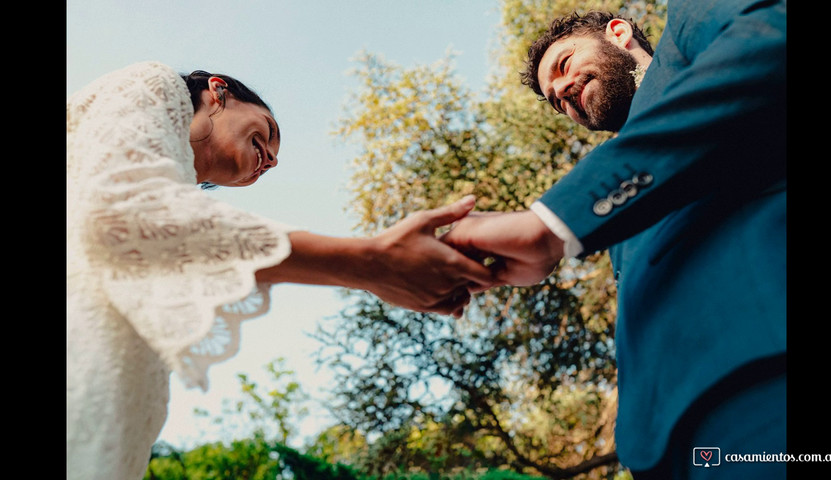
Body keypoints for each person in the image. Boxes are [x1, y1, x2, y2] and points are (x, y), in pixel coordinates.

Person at [66, 61, 495, 480]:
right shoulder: (148, 83)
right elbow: (127, 217)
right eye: (268, 133)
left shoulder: (183, 211)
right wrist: (370, 262)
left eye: (271, 159)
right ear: (218, 91)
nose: (270, 161)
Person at [442, 2, 786, 478]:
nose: (562, 91)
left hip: (765, 374)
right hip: (669, 449)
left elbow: (772, 38)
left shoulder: (686, 26)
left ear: (619, 34)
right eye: (555, 99)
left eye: (564, 65)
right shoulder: (613, 206)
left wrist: (554, 225)